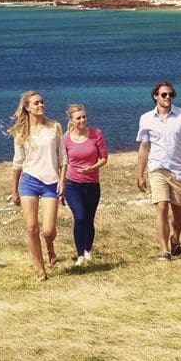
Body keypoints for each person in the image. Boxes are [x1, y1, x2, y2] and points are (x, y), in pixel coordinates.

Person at [136, 81, 181, 261]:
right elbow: (144, 146)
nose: (168, 98)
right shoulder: (146, 119)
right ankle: (165, 250)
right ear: (155, 96)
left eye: (170, 94)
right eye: (164, 94)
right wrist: (140, 174)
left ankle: (176, 238)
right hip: (157, 168)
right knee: (162, 206)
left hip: (178, 169)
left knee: (179, 211)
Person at [8, 91, 68, 281]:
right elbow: (18, 163)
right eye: (36, 103)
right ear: (27, 107)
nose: (41, 105)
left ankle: (50, 247)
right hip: (29, 182)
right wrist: (14, 190)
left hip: (51, 182)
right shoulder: (20, 132)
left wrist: (62, 181)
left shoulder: (54, 127)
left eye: (42, 102)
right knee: (31, 228)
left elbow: (63, 158)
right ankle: (41, 269)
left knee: (48, 230)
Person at [63, 104, 107, 266]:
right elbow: (62, 163)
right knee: (79, 217)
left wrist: (92, 168)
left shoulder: (96, 134)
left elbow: (104, 158)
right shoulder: (65, 139)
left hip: (92, 184)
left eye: (84, 117)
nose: (82, 120)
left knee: (89, 219)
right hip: (72, 184)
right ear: (71, 120)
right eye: (78, 118)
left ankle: (88, 250)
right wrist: (60, 185)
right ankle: (79, 254)